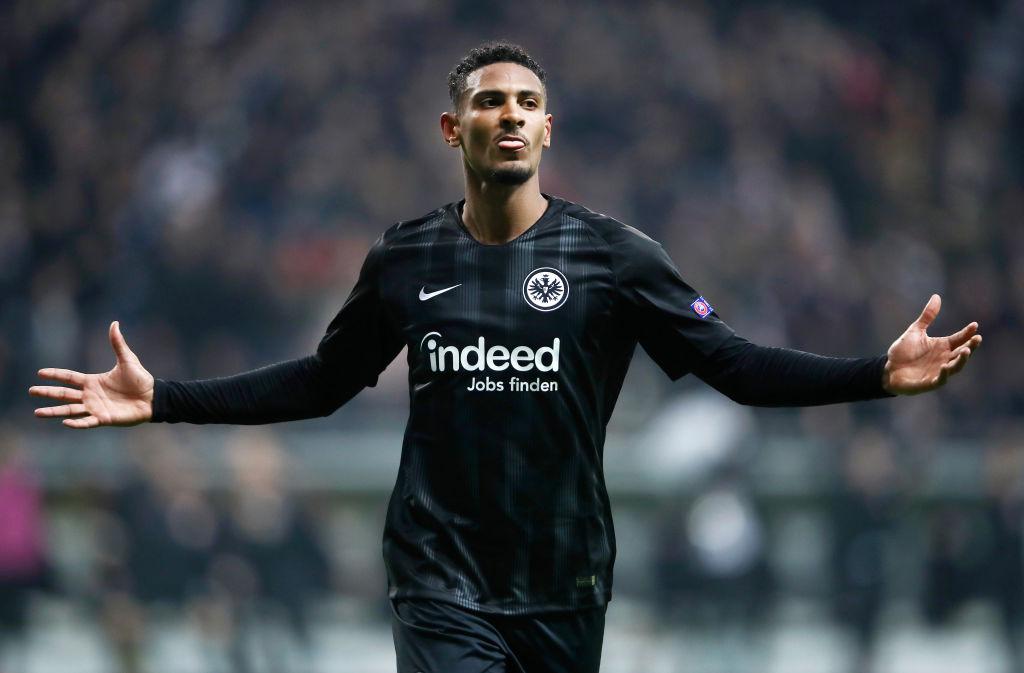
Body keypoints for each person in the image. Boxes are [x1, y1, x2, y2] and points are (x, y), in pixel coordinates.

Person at [29, 42, 982, 673]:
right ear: (456, 129)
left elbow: (732, 364)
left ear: (548, 129)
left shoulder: (614, 257)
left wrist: (874, 372)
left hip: (565, 581)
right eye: (491, 101)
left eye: (529, 102)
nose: (512, 115)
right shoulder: (406, 257)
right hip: (438, 578)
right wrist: (165, 398)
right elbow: (322, 383)